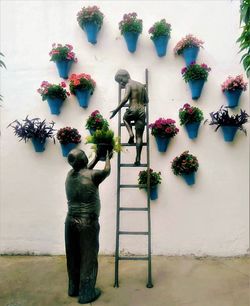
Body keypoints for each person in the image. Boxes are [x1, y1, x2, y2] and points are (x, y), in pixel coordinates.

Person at [65, 149, 111, 304]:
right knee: (88, 257)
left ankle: (73, 288)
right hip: (88, 223)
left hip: (70, 221)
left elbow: (85, 171)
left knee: (73, 256)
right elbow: (106, 171)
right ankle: (86, 293)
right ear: (84, 160)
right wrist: (107, 158)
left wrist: (97, 157)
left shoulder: (70, 175)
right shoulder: (93, 175)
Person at [110, 69, 149, 165]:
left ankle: (130, 134)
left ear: (125, 76)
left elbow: (125, 99)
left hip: (132, 110)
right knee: (139, 136)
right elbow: (147, 100)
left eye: (120, 80)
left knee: (125, 118)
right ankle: (138, 159)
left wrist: (116, 110)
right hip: (141, 112)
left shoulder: (128, 85)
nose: (121, 83)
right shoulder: (141, 86)